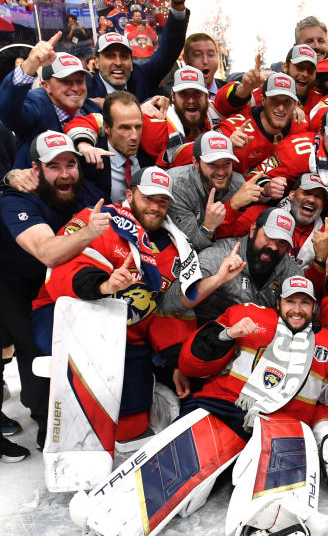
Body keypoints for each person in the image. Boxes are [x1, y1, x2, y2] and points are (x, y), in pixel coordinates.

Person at [31, 166, 213, 447]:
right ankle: (57, 418)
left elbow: (164, 309)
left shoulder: (177, 247)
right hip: (67, 313)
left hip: (127, 330)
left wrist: (179, 360)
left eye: (162, 201)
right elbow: (62, 271)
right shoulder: (100, 220)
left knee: (131, 430)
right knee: (81, 426)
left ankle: (146, 391)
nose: (155, 207)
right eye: (147, 198)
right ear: (129, 194)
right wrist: (104, 285)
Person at [178, 275, 328, 497]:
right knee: (183, 478)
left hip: (282, 426)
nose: (297, 310)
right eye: (290, 301)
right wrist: (227, 334)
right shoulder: (247, 316)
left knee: (274, 500)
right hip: (222, 409)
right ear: (279, 302)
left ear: (314, 307)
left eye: (305, 302)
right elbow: (190, 364)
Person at [0, 131, 103, 452]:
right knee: (28, 347)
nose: (64, 173)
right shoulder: (16, 196)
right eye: (53, 166)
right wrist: (90, 232)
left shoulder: (88, 192)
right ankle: (47, 422)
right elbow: (47, 251)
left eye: (70, 164)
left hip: (53, 283)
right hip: (11, 281)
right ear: (36, 169)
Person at [191, 206, 305, 324]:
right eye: (269, 237)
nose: (274, 247)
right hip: (210, 333)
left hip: (261, 336)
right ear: (253, 230)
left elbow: (304, 316)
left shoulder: (292, 272)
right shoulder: (220, 255)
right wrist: (217, 279)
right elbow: (183, 299)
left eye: (282, 242)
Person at [0, 35, 101, 167]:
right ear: (46, 86)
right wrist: (30, 64)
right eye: (66, 81)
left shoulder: (94, 110)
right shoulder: (35, 107)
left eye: (79, 81)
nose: (76, 88)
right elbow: (8, 109)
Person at [85, 0, 188, 101]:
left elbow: (169, 50)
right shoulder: (84, 88)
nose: (118, 63)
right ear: (96, 62)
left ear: (131, 62)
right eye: (110, 56)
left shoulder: (140, 77)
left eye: (124, 56)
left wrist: (177, 6)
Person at [166, 131, 262, 251]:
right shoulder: (176, 185)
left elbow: (227, 237)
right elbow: (190, 246)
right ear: (195, 162)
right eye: (212, 164)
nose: (221, 172)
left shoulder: (237, 184)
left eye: (227, 163)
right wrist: (230, 208)